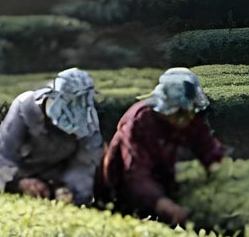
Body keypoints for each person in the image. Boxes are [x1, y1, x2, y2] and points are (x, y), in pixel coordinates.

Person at [96, 67, 228, 226]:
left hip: (161, 176)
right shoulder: (139, 123)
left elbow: (205, 143)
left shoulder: (187, 117)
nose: (184, 119)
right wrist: (163, 204)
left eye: (189, 112)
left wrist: (216, 167)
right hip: (122, 188)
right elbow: (136, 174)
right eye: (178, 113)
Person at [0, 67, 103, 204]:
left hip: (58, 181)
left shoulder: (87, 117)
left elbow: (85, 163)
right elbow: (0, 156)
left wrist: (69, 190)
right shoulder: (25, 107)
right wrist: (19, 181)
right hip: (22, 176)